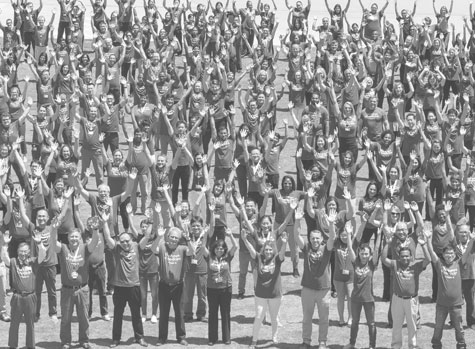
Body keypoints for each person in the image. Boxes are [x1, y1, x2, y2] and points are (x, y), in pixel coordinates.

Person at [242, 219, 289, 348]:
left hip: (275, 294)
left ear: (273, 250)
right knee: (258, 317)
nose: (268, 252)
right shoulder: (258, 257)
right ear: (263, 250)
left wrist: (284, 243)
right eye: (266, 250)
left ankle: (274, 337)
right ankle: (254, 340)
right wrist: (245, 239)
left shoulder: (277, 259)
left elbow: (283, 252)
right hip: (261, 294)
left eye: (270, 250)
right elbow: (251, 249)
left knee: (274, 318)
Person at [294, 206, 337, 349]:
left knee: (324, 319)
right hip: (307, 288)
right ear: (310, 239)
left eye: (317, 238)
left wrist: (331, 223)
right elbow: (296, 236)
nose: (315, 240)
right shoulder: (306, 247)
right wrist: (297, 221)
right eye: (312, 238)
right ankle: (306, 341)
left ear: (321, 239)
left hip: (324, 290)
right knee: (307, 318)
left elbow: (332, 237)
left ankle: (322, 342)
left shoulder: (326, 249)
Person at [382, 229, 431, 349]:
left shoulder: (416, 265)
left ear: (411, 256)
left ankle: (412, 345)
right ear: (399, 256)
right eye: (402, 256)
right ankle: (396, 346)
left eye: (407, 256)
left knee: (412, 325)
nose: (405, 258)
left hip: (411, 300)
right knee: (397, 325)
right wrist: (387, 244)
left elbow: (428, 260)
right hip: (397, 299)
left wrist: (424, 245)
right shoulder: (395, 264)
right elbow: (383, 259)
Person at [154, 226, 196, 346]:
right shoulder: (162, 247)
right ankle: (162, 338)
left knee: (179, 313)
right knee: (163, 313)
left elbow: (192, 251)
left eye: (176, 238)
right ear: (168, 237)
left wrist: (188, 239)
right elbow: (153, 249)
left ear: (179, 240)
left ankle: (181, 337)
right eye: (171, 236)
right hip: (164, 285)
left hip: (178, 286)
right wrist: (159, 237)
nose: (173, 239)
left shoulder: (182, 248)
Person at [342, 214, 379, 349]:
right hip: (356, 299)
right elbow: (350, 249)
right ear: (360, 254)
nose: (364, 256)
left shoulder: (372, 264)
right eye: (362, 253)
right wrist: (348, 234)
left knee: (371, 324)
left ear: (369, 256)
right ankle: (352, 343)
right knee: (355, 322)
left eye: (366, 254)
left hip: (369, 299)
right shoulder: (355, 262)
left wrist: (379, 236)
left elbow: (376, 249)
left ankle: (372, 346)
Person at [426, 227, 467, 349]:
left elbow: (467, 251)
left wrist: (472, 240)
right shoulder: (439, 264)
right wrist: (428, 240)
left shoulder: (459, 263)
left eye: (451, 253)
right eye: (447, 254)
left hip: (456, 304)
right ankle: (436, 344)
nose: (449, 255)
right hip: (441, 304)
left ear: (455, 255)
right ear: (443, 255)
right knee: (438, 326)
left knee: (459, 328)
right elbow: (432, 254)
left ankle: (461, 344)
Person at [3, 239, 43, 349]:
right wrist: (6, 244)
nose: (23, 253)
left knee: (30, 324)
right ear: (17, 251)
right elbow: (4, 257)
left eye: (25, 251)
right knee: (14, 323)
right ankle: (12, 345)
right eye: (21, 251)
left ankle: (30, 346)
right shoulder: (13, 262)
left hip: (30, 297)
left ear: (29, 252)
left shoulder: (33, 262)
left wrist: (39, 243)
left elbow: (43, 255)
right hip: (17, 297)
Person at [203, 227, 237, 346]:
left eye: (221, 248)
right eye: (217, 248)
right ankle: (212, 338)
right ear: (214, 249)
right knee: (213, 313)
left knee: (225, 312)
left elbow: (236, 246)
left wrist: (231, 235)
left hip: (226, 288)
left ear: (224, 249)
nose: (219, 250)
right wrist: (206, 234)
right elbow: (203, 247)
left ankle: (226, 338)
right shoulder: (209, 257)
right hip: (212, 289)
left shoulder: (228, 256)